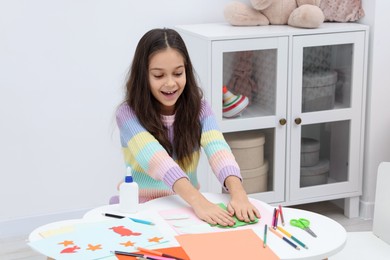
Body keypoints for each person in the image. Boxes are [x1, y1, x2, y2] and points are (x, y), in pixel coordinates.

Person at [116, 28, 260, 227]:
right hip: (144, 210)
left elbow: (218, 149)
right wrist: (199, 201)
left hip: (185, 208)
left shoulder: (200, 109)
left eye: (178, 73)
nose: (170, 83)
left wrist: (238, 193)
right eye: (158, 76)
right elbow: (157, 159)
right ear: (143, 76)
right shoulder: (127, 114)